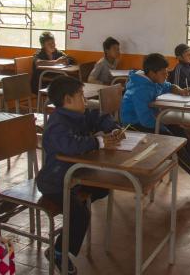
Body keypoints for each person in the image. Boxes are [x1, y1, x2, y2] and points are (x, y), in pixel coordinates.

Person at [36, 75, 124, 275]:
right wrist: (98, 142)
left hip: (76, 175)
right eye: (81, 96)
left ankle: (76, 207)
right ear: (67, 100)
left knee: (103, 189)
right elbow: (70, 145)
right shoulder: (57, 124)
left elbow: (98, 116)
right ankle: (58, 252)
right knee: (79, 215)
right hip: (55, 182)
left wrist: (113, 128)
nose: (85, 100)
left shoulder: (78, 114)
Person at [120, 53, 190, 180]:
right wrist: (163, 128)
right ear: (151, 73)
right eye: (163, 73)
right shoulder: (140, 89)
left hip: (150, 120)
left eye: (167, 72)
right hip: (132, 125)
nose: (166, 75)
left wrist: (181, 91)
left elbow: (170, 86)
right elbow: (145, 120)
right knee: (171, 140)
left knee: (179, 130)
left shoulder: (154, 81)